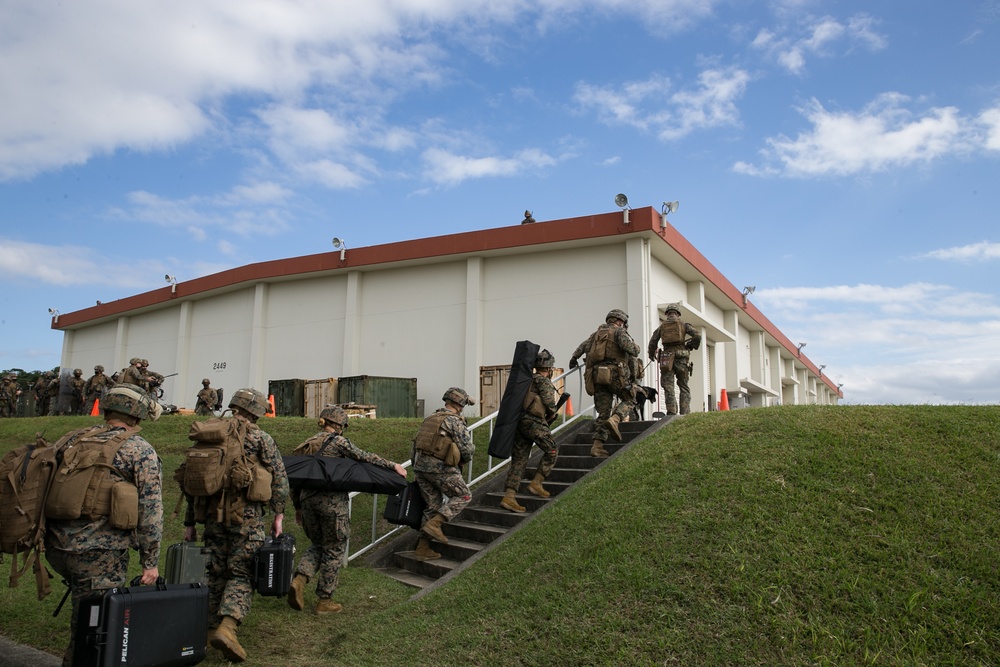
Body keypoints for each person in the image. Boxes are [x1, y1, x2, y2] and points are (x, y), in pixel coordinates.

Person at [44, 383, 163, 666]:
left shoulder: (73, 440)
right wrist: (150, 561)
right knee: (94, 628)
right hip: (99, 555)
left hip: (57, 548)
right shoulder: (138, 449)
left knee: (85, 617)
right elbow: (150, 511)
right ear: (137, 415)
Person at [182, 387, 289, 663]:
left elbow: (190, 481)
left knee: (215, 571)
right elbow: (278, 477)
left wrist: (190, 521)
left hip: (210, 518)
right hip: (247, 518)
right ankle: (227, 628)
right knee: (242, 572)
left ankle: (207, 631)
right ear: (256, 411)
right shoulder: (259, 437)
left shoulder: (209, 433)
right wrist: (278, 515)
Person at [287, 406, 406, 614]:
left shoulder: (306, 444)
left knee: (318, 543)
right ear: (340, 425)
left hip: (307, 501)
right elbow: (364, 457)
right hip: (331, 503)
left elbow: (296, 479)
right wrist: (392, 465)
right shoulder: (339, 442)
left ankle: (299, 579)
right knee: (334, 546)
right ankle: (324, 600)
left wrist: (297, 506)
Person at [411, 387, 475, 561]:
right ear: (460, 404)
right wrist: (463, 459)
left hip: (420, 467)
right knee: (463, 496)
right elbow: (467, 450)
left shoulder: (430, 418)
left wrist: (416, 468)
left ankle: (422, 548)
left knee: (433, 505)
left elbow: (416, 444)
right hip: (440, 468)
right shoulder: (454, 421)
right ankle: (435, 524)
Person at [569, 308, 641, 458]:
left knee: (603, 412)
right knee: (630, 398)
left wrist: (574, 358)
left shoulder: (596, 335)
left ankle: (597, 447)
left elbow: (582, 347)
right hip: (616, 374)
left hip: (597, 376)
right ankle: (615, 419)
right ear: (620, 321)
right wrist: (636, 348)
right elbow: (632, 351)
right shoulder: (619, 332)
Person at [500, 349, 560, 513]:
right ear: (549, 368)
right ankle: (537, 482)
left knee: (519, 460)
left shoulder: (525, 380)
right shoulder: (543, 381)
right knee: (552, 450)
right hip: (533, 422)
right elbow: (550, 403)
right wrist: (552, 412)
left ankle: (509, 496)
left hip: (519, 422)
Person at [647, 303, 702, 415]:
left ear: (667, 314)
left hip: (667, 359)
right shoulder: (684, 325)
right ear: (678, 314)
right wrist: (691, 345)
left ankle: (671, 411)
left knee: (668, 386)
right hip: (682, 358)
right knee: (683, 386)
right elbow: (698, 335)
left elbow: (653, 342)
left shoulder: (662, 327)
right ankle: (685, 412)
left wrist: (651, 354)